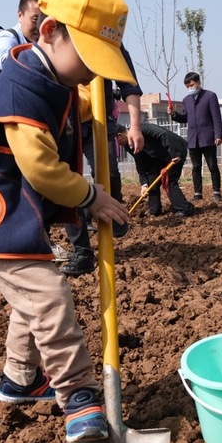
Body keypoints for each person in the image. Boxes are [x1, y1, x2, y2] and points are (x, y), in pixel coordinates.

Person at [0, 0, 132, 443]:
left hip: (14, 212)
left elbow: (68, 121)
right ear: (49, 32)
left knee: (29, 300)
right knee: (50, 297)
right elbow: (42, 169)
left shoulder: (53, 80)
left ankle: (19, 379)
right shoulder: (19, 89)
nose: (93, 73)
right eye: (88, 58)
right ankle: (78, 395)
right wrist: (94, 197)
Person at [60, 49, 144, 277]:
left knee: (108, 174)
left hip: (99, 120)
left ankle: (115, 213)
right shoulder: (61, 33)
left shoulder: (110, 37)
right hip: (68, 119)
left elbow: (129, 85)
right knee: (68, 184)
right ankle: (83, 252)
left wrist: (135, 126)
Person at [115, 122, 194, 217]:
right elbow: (139, 162)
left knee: (169, 181)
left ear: (120, 136)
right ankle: (155, 210)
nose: (117, 145)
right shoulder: (129, 145)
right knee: (151, 180)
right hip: (159, 157)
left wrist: (174, 154)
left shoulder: (142, 129)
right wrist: (144, 183)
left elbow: (163, 134)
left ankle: (185, 209)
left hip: (175, 150)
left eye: (115, 141)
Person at [168, 72, 222, 201]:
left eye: (192, 85)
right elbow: (185, 118)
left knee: (212, 166)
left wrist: (218, 135)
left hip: (208, 137)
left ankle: (217, 191)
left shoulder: (210, 96)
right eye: (187, 86)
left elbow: (216, 117)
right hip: (193, 139)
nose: (190, 88)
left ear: (198, 82)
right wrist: (174, 114)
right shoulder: (186, 100)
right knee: (196, 167)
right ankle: (198, 193)